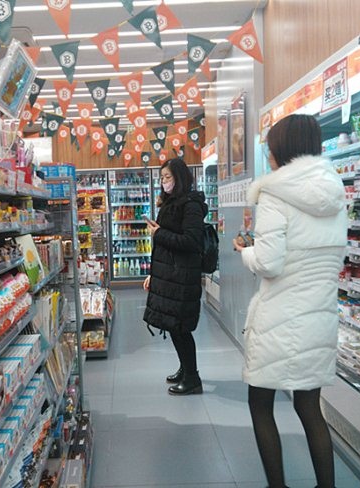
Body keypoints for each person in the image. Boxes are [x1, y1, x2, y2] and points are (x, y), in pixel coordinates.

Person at [233, 114, 348, 488]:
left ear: (283, 150)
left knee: (260, 403)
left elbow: (269, 263)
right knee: (309, 406)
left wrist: (245, 252)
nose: (268, 157)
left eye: (270, 149)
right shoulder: (334, 193)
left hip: (280, 319)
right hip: (319, 315)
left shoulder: (275, 195)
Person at [143, 158, 207, 395]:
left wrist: (159, 233)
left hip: (182, 276)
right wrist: (154, 274)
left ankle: (193, 378)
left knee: (180, 328)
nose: (164, 182)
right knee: (173, 326)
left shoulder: (190, 205)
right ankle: (185, 368)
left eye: (167, 177)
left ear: (179, 178)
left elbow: (192, 241)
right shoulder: (171, 203)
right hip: (170, 275)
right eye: (161, 178)